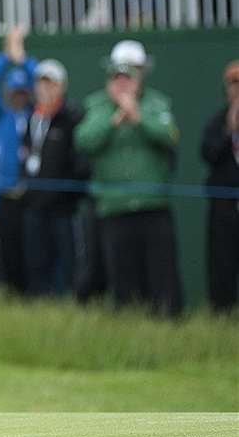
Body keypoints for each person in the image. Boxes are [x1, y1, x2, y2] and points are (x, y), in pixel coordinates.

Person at [74, 40, 184, 317]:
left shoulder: (156, 103)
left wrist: (137, 116)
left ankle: (168, 332)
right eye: (118, 77)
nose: (123, 83)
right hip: (114, 207)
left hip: (153, 205)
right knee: (124, 282)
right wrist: (114, 118)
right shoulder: (97, 105)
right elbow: (84, 141)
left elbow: (169, 135)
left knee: (162, 281)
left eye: (130, 76)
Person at [21, 59, 89, 299]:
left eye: (51, 84)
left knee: (66, 264)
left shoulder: (72, 118)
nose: (45, 90)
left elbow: (80, 165)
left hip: (63, 209)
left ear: (62, 87)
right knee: (37, 263)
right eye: (41, 84)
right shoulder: (32, 118)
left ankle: (67, 306)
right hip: (34, 207)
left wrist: (64, 195)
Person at [0, 27, 38, 292]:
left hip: (30, 195)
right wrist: (7, 56)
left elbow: (39, 78)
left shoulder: (35, 116)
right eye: (14, 92)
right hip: (4, 197)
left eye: (22, 92)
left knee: (33, 252)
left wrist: (22, 57)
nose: (18, 96)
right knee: (7, 253)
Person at [200, 61, 239, 314]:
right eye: (233, 84)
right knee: (222, 266)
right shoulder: (218, 120)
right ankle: (221, 317)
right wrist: (230, 130)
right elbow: (208, 153)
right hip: (225, 207)